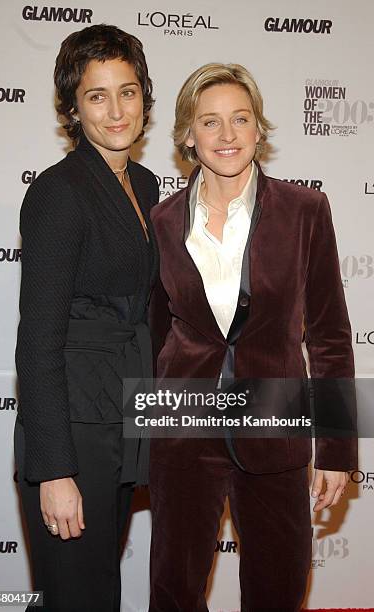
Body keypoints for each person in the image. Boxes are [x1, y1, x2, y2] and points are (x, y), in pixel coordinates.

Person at [148, 63, 357, 611]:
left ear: (259, 129)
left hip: (275, 421)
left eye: (240, 119)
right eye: (210, 123)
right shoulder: (163, 221)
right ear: (187, 137)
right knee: (174, 590)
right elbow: (154, 335)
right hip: (182, 426)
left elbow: (331, 334)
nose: (227, 135)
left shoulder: (305, 211)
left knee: (277, 591)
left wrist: (336, 448)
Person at [14, 24, 158, 612]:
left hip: (122, 413)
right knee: (75, 597)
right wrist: (54, 470)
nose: (116, 109)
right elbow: (37, 341)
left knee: (100, 589)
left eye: (127, 91)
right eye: (98, 95)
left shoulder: (146, 186)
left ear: (144, 96)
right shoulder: (59, 192)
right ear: (73, 107)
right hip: (73, 429)